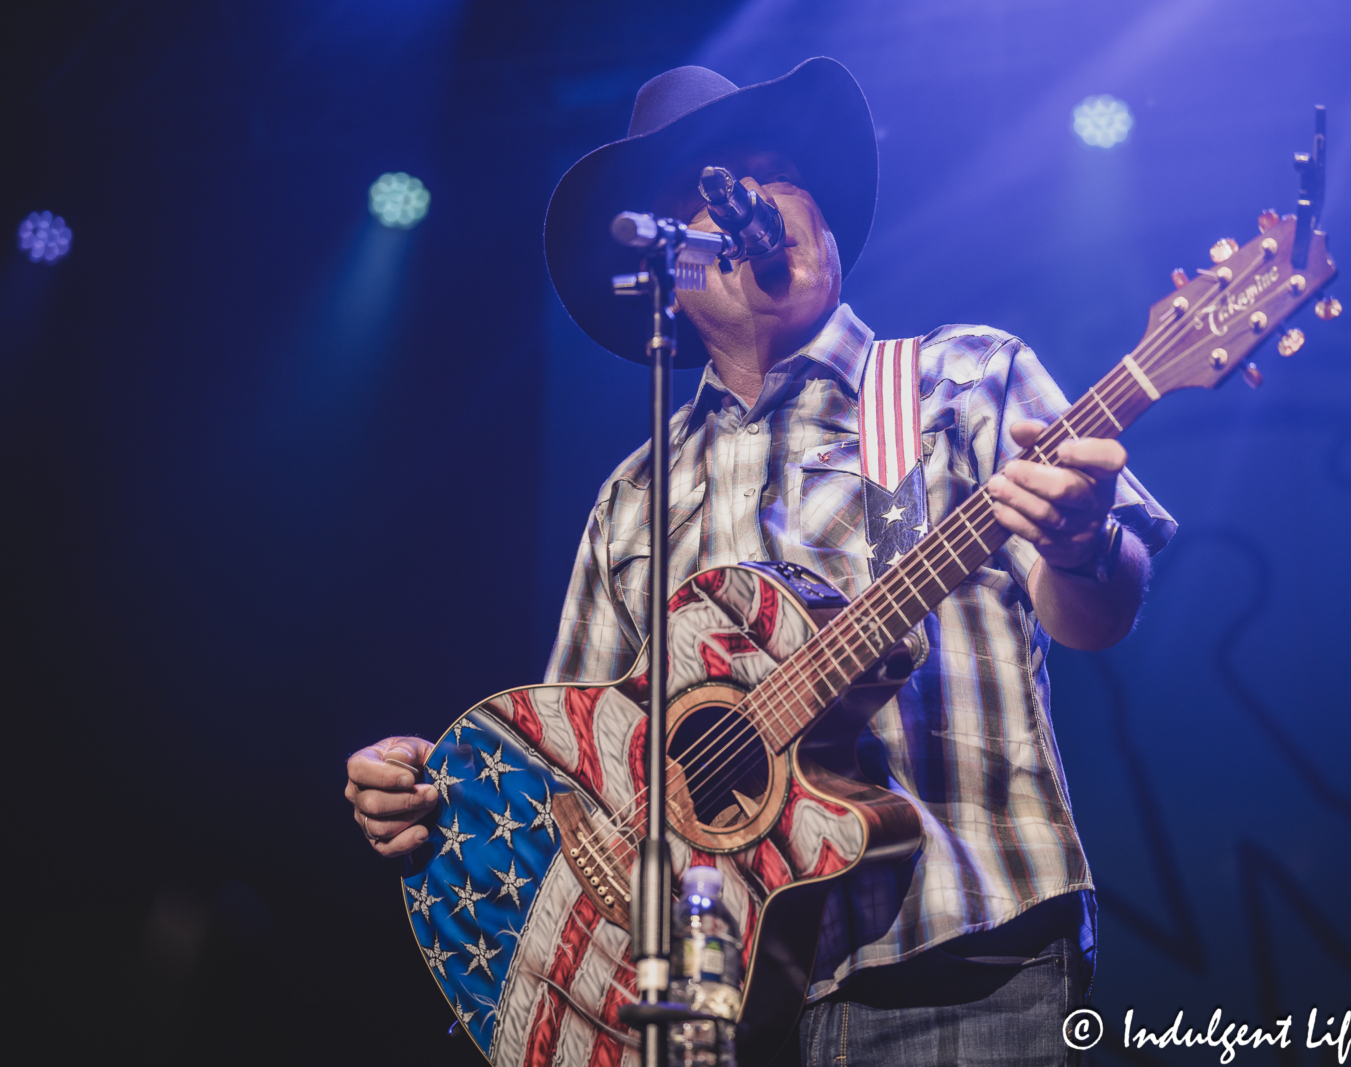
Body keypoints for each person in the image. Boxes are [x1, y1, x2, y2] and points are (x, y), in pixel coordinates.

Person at [345, 58, 1174, 1066]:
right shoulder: (634, 495)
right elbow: (576, 757)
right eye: (709, 190)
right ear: (668, 269)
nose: (755, 200)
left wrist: (1084, 543)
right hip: (707, 1008)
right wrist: (440, 794)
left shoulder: (957, 379)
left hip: (956, 952)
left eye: (777, 170)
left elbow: (1095, 612)